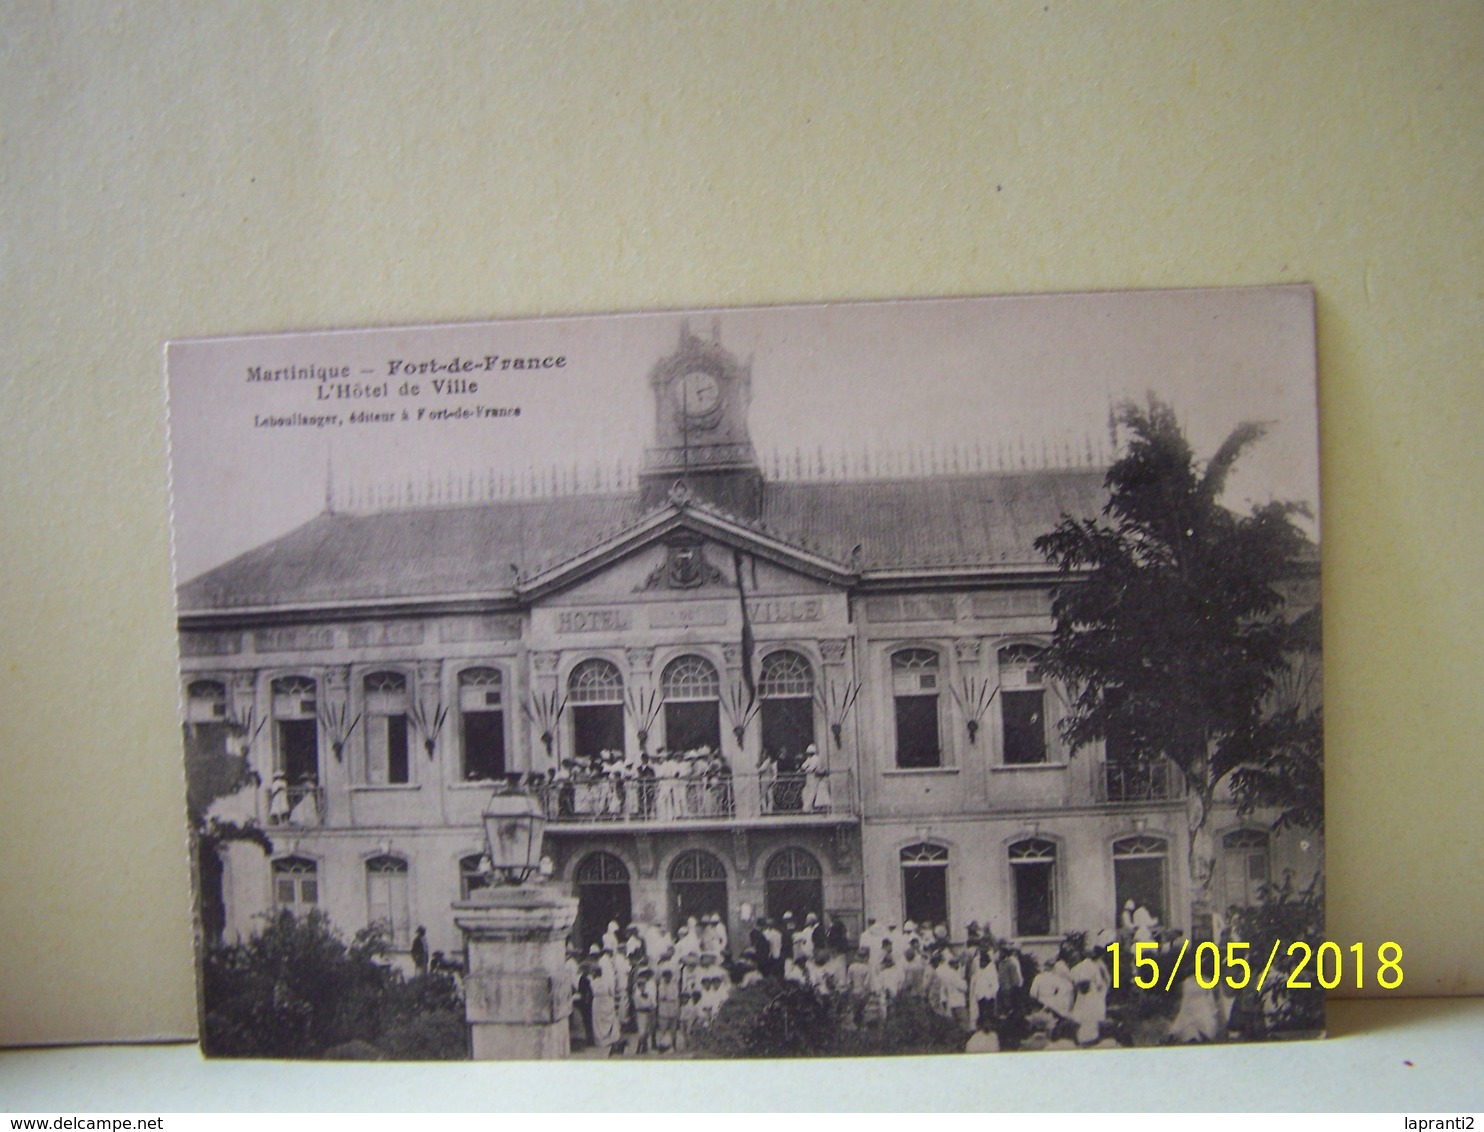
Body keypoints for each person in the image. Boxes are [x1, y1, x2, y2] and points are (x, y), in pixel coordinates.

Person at [631, 967, 657, 1054]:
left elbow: (651, 999)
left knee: (648, 1029)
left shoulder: (651, 984)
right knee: (642, 1031)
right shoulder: (637, 990)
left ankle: (645, 1046)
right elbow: (636, 1001)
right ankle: (639, 1048)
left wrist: (652, 1007)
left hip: (649, 1010)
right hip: (640, 1012)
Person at [801, 743, 831, 810]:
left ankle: (808, 807)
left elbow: (812, 768)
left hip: (814, 777)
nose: (808, 754)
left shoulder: (816, 758)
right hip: (809, 777)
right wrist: (805, 768)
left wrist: (806, 770)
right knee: (807, 791)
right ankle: (808, 807)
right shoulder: (810, 758)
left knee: (813, 792)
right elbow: (804, 765)